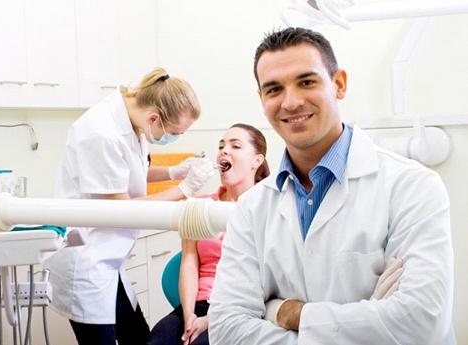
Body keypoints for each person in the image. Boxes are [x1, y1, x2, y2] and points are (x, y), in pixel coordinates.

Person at [208, 27, 456, 344]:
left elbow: (420, 322)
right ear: (262, 100)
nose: (291, 101)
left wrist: (286, 313)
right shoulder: (252, 208)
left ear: (339, 84)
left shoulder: (413, 186)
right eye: (274, 90)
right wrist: (370, 316)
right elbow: (227, 331)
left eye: (307, 82)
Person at [43, 66, 215, 345]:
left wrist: (174, 171)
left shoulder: (133, 121)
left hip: (110, 259)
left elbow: (128, 171)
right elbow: (122, 210)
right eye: (175, 133)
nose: (175, 138)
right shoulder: (101, 133)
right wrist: (185, 189)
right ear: (154, 118)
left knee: (137, 336)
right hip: (87, 259)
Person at [147, 123, 271, 345]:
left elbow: (268, 280)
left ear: (257, 161)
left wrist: (211, 320)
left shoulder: (268, 209)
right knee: (158, 340)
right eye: (221, 145)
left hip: (242, 307)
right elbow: (189, 261)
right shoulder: (199, 206)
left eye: (235, 146)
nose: (224, 150)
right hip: (198, 303)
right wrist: (189, 316)